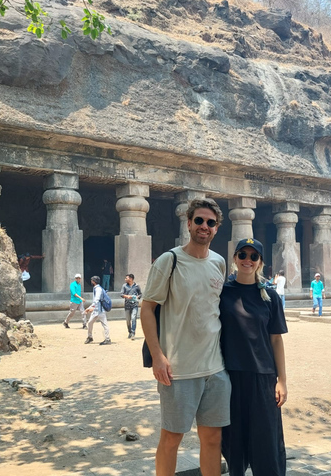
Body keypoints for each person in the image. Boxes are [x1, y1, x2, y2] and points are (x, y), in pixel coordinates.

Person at [140, 198, 230, 476]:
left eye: (210, 222)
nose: (204, 226)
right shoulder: (171, 260)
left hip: (215, 369)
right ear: (189, 223)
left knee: (213, 439)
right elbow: (147, 308)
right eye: (199, 221)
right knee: (171, 439)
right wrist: (158, 356)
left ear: (216, 229)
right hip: (178, 369)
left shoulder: (219, 262)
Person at [219, 239, 288, 475]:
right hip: (230, 376)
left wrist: (282, 381)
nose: (247, 260)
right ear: (235, 258)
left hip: (263, 376)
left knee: (267, 442)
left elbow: (276, 340)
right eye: (243, 254)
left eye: (253, 256)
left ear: (260, 262)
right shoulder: (222, 293)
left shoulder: (270, 297)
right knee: (233, 443)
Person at [85, 276, 111, 345]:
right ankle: (90, 337)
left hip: (100, 310)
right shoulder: (97, 288)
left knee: (105, 324)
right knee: (90, 323)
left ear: (93, 281)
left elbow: (97, 299)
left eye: (92, 280)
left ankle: (107, 339)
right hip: (96, 310)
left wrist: (92, 307)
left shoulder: (98, 289)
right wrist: (89, 307)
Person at [121, 273, 142, 340]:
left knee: (133, 318)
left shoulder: (137, 286)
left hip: (135, 304)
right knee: (128, 320)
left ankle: (133, 333)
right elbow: (121, 294)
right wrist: (127, 296)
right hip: (127, 305)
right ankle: (129, 331)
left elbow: (140, 294)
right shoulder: (124, 286)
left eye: (126, 278)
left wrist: (137, 297)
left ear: (131, 279)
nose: (125, 279)